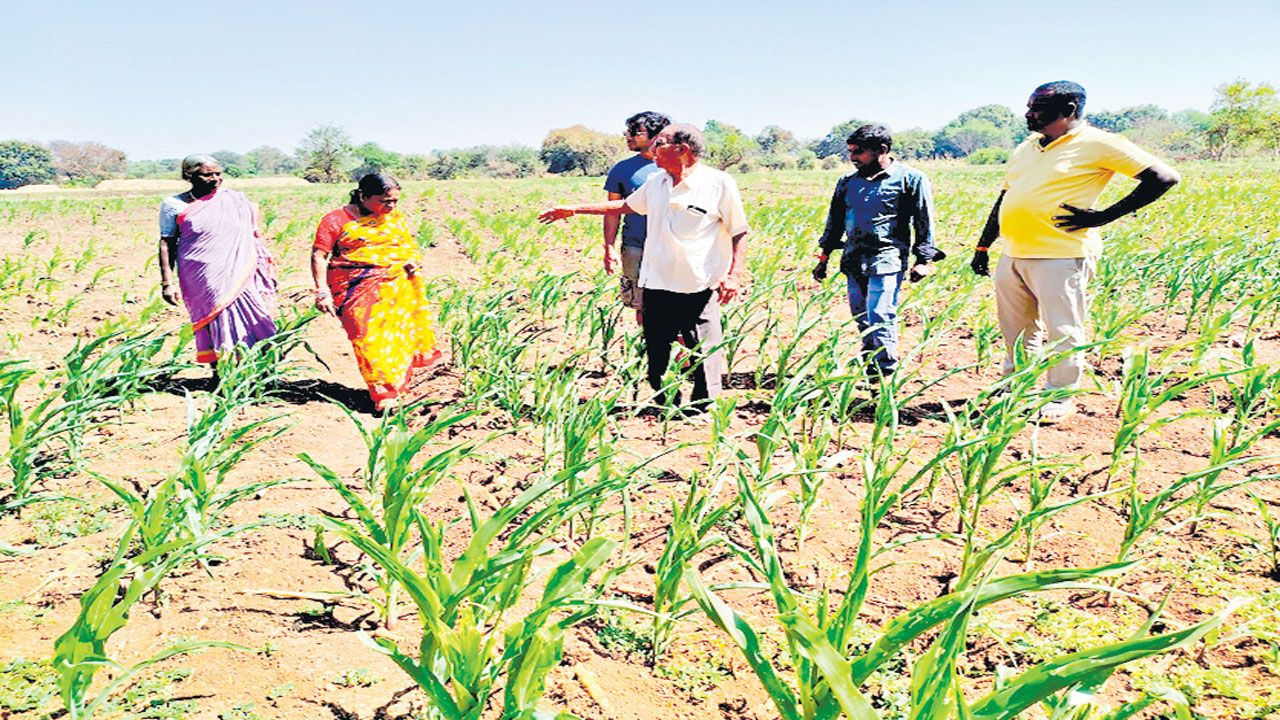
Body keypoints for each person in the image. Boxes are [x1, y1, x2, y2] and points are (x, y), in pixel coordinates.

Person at [970, 81, 1180, 420]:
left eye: (1037, 107)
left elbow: (1164, 177)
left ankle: (1058, 397)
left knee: (1062, 328)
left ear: (1068, 111)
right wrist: (984, 244)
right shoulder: (1027, 147)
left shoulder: (1099, 143)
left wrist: (1103, 216)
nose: (1029, 113)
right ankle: (1014, 386)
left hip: (1062, 253)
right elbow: (1006, 196)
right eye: (1029, 106)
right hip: (1014, 252)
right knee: (1017, 328)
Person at [539, 123, 749, 412]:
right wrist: (575, 209)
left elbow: (739, 230)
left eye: (660, 144)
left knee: (704, 348)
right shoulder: (657, 181)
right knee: (657, 348)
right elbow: (627, 206)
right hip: (656, 280)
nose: (652, 150)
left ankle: (703, 407)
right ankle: (663, 404)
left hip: (699, 282)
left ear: (682, 149)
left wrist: (734, 275)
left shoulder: (718, 183)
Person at [812, 124, 943, 378]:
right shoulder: (848, 182)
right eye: (850, 151)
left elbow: (924, 221)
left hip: (887, 258)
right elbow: (835, 222)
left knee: (881, 315)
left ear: (881, 150)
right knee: (862, 319)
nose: (852, 158)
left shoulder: (910, 179)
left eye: (859, 152)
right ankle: (870, 366)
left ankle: (886, 374)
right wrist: (823, 258)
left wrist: (924, 260)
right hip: (853, 259)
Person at [312, 173, 442, 412]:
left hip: (397, 287)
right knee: (365, 338)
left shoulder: (395, 219)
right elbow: (319, 255)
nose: (391, 206)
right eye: (384, 201)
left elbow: (408, 246)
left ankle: (395, 389)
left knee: (397, 336)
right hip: (354, 289)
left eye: (395, 201)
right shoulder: (336, 220)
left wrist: (413, 261)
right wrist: (322, 292)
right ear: (363, 196)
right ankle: (381, 390)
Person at [158, 154, 278, 365]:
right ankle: (220, 370)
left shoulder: (236, 200)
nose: (215, 179)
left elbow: (252, 236)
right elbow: (167, 243)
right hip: (200, 274)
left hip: (240, 269)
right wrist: (167, 283)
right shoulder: (174, 205)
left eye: (218, 174)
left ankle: (260, 369)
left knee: (255, 314)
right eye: (207, 175)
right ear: (189, 176)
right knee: (214, 317)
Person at [603, 111, 671, 323]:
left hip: (673, 246)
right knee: (641, 304)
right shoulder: (622, 170)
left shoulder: (677, 166)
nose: (628, 137)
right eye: (628, 132)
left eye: (636, 132)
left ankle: (682, 354)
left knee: (676, 302)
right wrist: (609, 246)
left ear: (656, 135)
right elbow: (612, 209)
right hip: (635, 246)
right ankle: (651, 348)